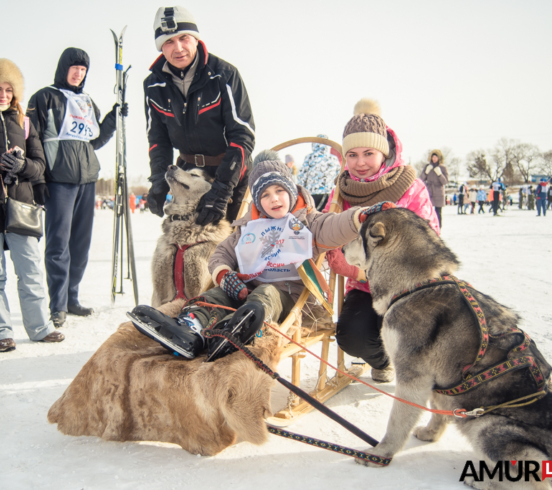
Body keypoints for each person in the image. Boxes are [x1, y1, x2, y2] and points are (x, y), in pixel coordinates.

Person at [131, 150, 366, 360]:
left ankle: (238, 328)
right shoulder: (249, 227)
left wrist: (359, 218)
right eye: (264, 195)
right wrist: (224, 274)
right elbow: (221, 253)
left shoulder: (308, 221)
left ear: (291, 191)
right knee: (215, 293)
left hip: (287, 299)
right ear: (257, 201)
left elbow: (336, 225)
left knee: (266, 292)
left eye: (280, 191)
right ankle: (191, 325)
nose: (273, 198)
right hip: (244, 292)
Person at [323, 99, 440, 383]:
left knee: (398, 332)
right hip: (363, 287)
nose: (360, 163)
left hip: (405, 287)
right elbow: (325, 228)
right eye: (352, 155)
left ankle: (411, 358)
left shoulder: (410, 186)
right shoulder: (343, 190)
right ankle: (384, 360)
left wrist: (363, 267)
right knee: (352, 338)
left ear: (383, 151)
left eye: (368, 153)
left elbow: (427, 243)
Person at [0, 58, 65, 351]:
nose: (3, 95)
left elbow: (40, 167)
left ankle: (40, 327)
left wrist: (21, 165)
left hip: (21, 206)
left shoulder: (23, 123)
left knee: (31, 269)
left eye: (9, 90)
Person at [27, 48, 123, 328]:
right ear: (63, 68)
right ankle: (56, 304)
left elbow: (93, 140)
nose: (78, 73)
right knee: (58, 243)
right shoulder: (44, 97)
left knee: (80, 243)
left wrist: (112, 120)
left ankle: (71, 297)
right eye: (74, 67)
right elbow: (32, 139)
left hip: (87, 178)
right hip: (58, 179)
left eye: (83, 69)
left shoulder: (86, 101)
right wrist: (37, 178)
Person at [144, 6, 255, 225]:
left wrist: (222, 190)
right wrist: (158, 180)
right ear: (161, 48)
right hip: (188, 176)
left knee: (231, 247)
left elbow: (242, 137)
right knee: (188, 245)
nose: (178, 48)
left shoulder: (223, 75)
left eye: (183, 38)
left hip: (230, 174)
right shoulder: (153, 85)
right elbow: (158, 140)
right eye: (168, 42)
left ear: (195, 38)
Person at [297, 134, 340, 211]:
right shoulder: (333, 158)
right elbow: (339, 176)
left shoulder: (309, 158)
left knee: (312, 217)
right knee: (326, 216)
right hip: (329, 194)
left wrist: (301, 192)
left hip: (312, 193)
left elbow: (302, 176)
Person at [420, 149, 448, 227]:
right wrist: (426, 172)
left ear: (439, 158)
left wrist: (439, 174)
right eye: (433, 157)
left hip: (439, 192)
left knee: (438, 212)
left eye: (436, 157)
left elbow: (445, 182)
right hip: (429, 191)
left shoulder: (443, 168)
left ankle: (439, 227)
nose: (434, 159)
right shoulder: (427, 166)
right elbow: (421, 179)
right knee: (427, 211)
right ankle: (429, 227)